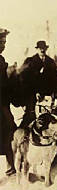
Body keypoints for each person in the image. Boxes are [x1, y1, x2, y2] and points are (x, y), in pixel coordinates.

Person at [19, 40, 57, 128]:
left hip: (47, 94)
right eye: (40, 48)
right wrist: (35, 92)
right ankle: (25, 132)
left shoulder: (50, 62)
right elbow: (26, 78)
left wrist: (54, 93)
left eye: (44, 48)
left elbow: (55, 79)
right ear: (37, 49)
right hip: (32, 93)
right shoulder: (30, 61)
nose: (42, 50)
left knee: (51, 114)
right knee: (31, 115)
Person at [0, 28, 16, 176]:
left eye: (5, 42)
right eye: (1, 42)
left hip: (3, 104)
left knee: (9, 131)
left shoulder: (1, 60)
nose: (3, 45)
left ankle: (11, 166)